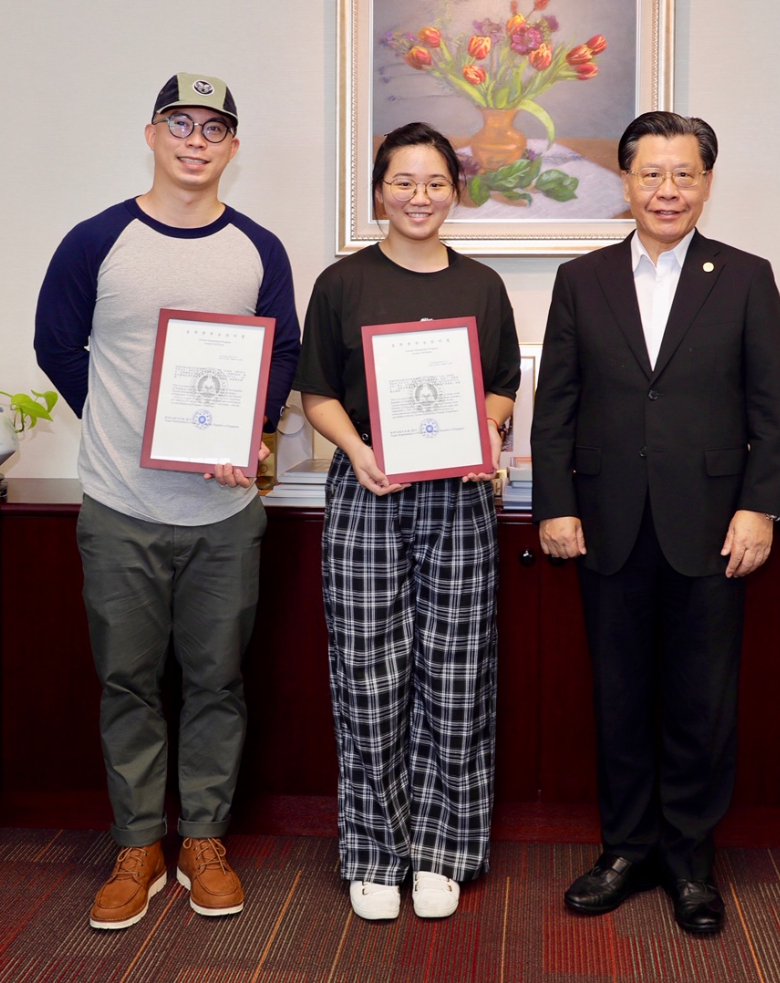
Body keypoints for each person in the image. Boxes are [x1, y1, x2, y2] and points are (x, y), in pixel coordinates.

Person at [35, 73, 300, 930]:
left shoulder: (258, 247)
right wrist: (123, 424)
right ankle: (138, 843)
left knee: (218, 680)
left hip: (224, 515)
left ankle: (205, 840)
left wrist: (249, 432)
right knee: (128, 681)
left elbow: (282, 352)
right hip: (121, 504)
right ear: (150, 133)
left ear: (231, 147)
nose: (196, 139)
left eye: (214, 128)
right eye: (179, 123)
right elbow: (55, 342)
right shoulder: (96, 240)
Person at [532, 111, 780, 934]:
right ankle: (625, 850)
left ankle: (689, 860)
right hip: (605, 523)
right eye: (652, 174)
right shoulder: (582, 279)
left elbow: (772, 410)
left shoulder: (747, 277)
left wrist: (761, 507)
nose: (668, 189)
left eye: (685, 174)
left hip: (714, 527)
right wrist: (556, 503)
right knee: (618, 695)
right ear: (626, 181)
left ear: (707, 183)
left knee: (699, 702)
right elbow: (556, 408)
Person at [295, 122, 520, 922]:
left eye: (434, 183)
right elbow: (316, 389)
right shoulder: (341, 284)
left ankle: (442, 851)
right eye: (402, 182)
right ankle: (374, 852)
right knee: (369, 675)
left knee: (455, 675)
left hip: (457, 497)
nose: (418, 197)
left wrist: (484, 434)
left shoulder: (483, 287)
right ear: (379, 191)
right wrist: (356, 447)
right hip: (368, 489)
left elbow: (501, 387)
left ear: (454, 192)